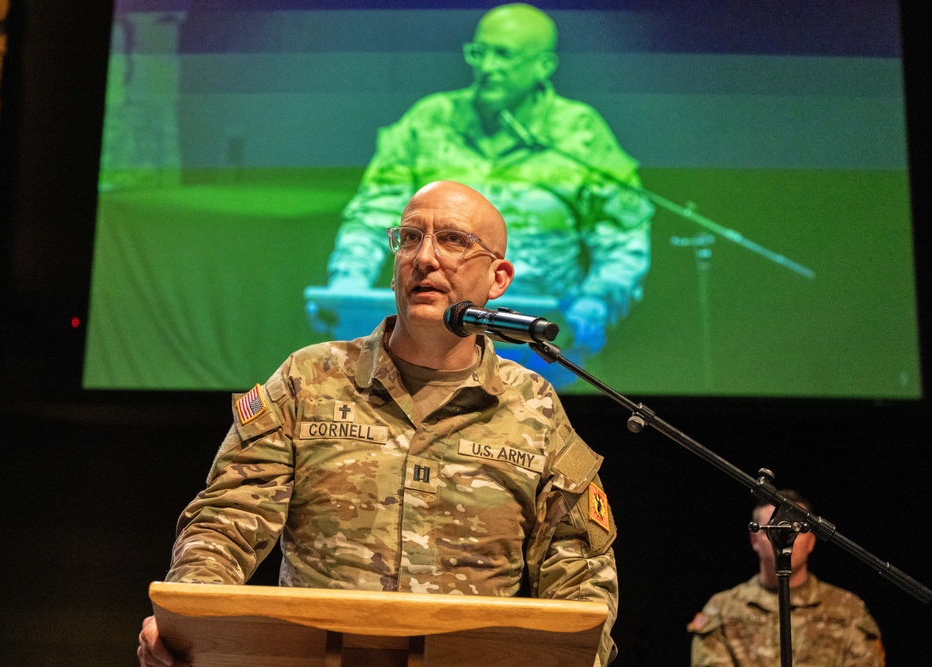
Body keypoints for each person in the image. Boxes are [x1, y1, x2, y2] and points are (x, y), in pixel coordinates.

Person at [138, 181, 620, 666]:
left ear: (498, 279)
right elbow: (226, 521)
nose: (424, 257)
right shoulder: (310, 378)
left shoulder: (533, 405)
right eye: (410, 238)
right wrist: (190, 620)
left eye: (453, 240)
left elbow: (580, 570)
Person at [325, 3, 653, 374]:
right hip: (431, 345)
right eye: (479, 53)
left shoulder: (580, 134)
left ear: (544, 65)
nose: (486, 67)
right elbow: (371, 213)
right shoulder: (429, 121)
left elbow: (623, 238)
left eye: (504, 55)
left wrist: (598, 300)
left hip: (539, 344)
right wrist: (346, 288)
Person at [688, 491, 885, 666]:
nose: (782, 539)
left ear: (811, 540)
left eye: (793, 530)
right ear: (754, 539)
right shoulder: (721, 610)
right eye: (773, 530)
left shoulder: (848, 610)